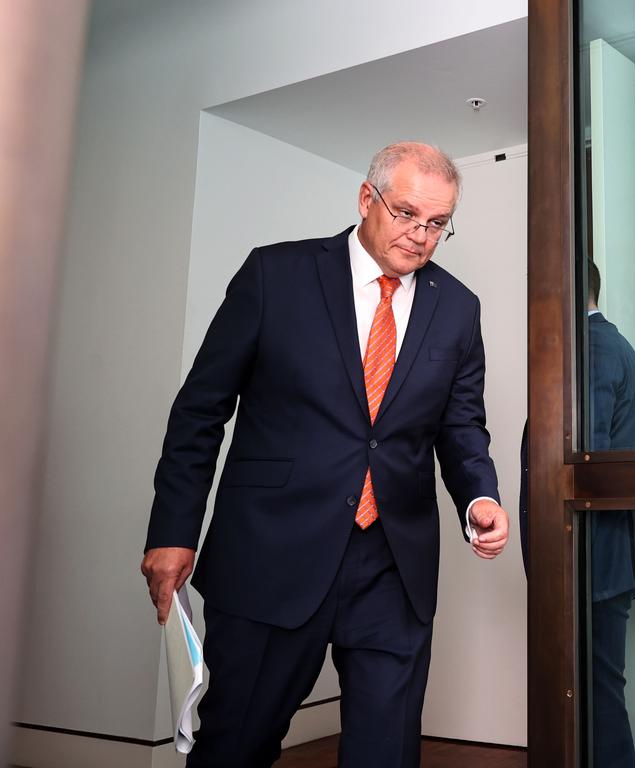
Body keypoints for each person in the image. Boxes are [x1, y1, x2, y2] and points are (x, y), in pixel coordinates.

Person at [141, 142, 509, 768]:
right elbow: (201, 411)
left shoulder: (458, 307)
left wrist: (480, 495)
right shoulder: (274, 276)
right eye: (406, 214)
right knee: (237, 742)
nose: (420, 236)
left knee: (386, 753)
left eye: (437, 224)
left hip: (394, 563)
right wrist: (173, 531)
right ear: (368, 199)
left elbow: (461, 425)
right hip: (273, 552)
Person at [520, 260, 635, 768]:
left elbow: (581, 462)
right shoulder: (609, 345)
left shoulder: (591, 351)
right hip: (605, 555)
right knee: (596, 693)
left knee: (596, 698)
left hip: (591, 558)